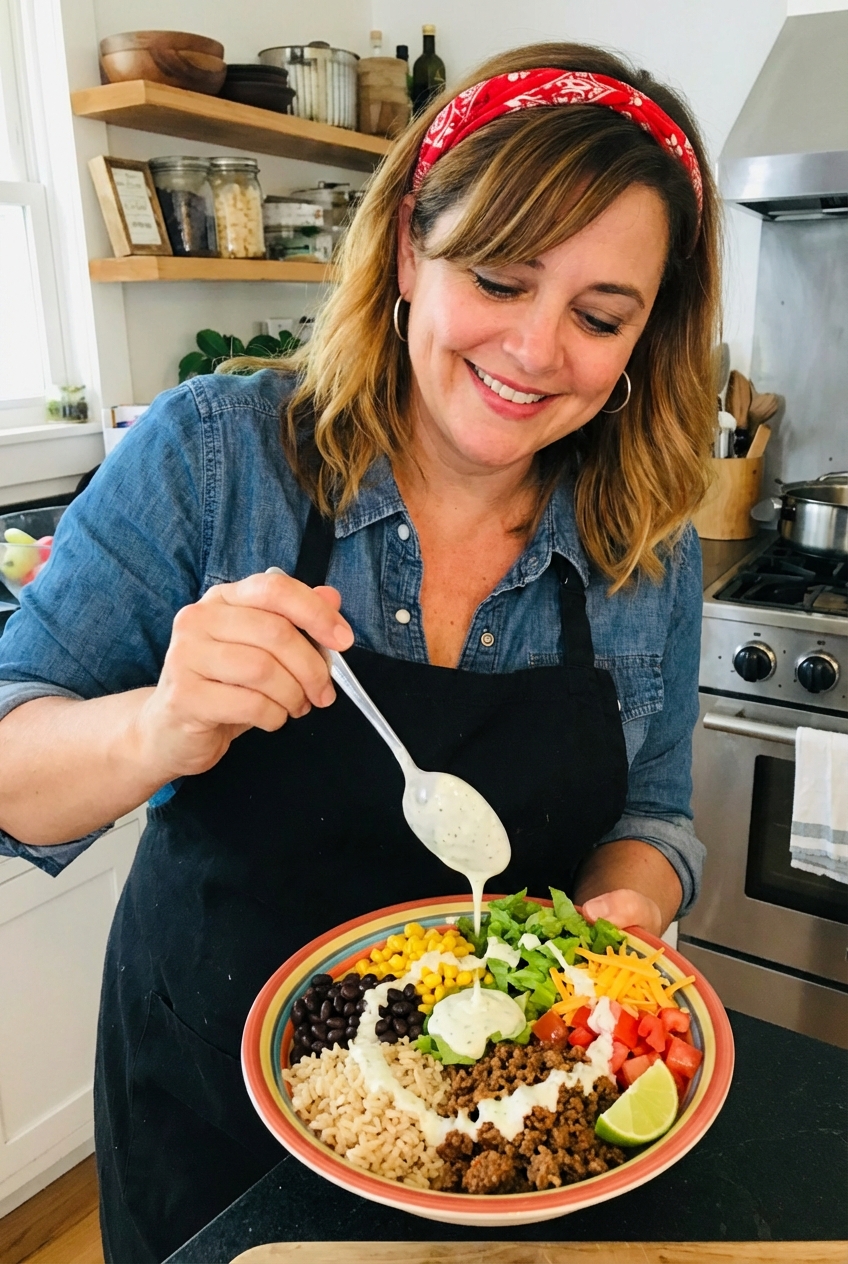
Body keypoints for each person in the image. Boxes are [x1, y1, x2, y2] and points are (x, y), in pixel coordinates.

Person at [0, 40, 719, 1264]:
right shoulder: (215, 457)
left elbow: (654, 811)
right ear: (404, 251)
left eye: (600, 315)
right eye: (498, 278)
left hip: (503, 1136)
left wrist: (628, 912)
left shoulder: (645, 542)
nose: (538, 351)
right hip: (211, 1115)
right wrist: (156, 724)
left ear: (646, 335)